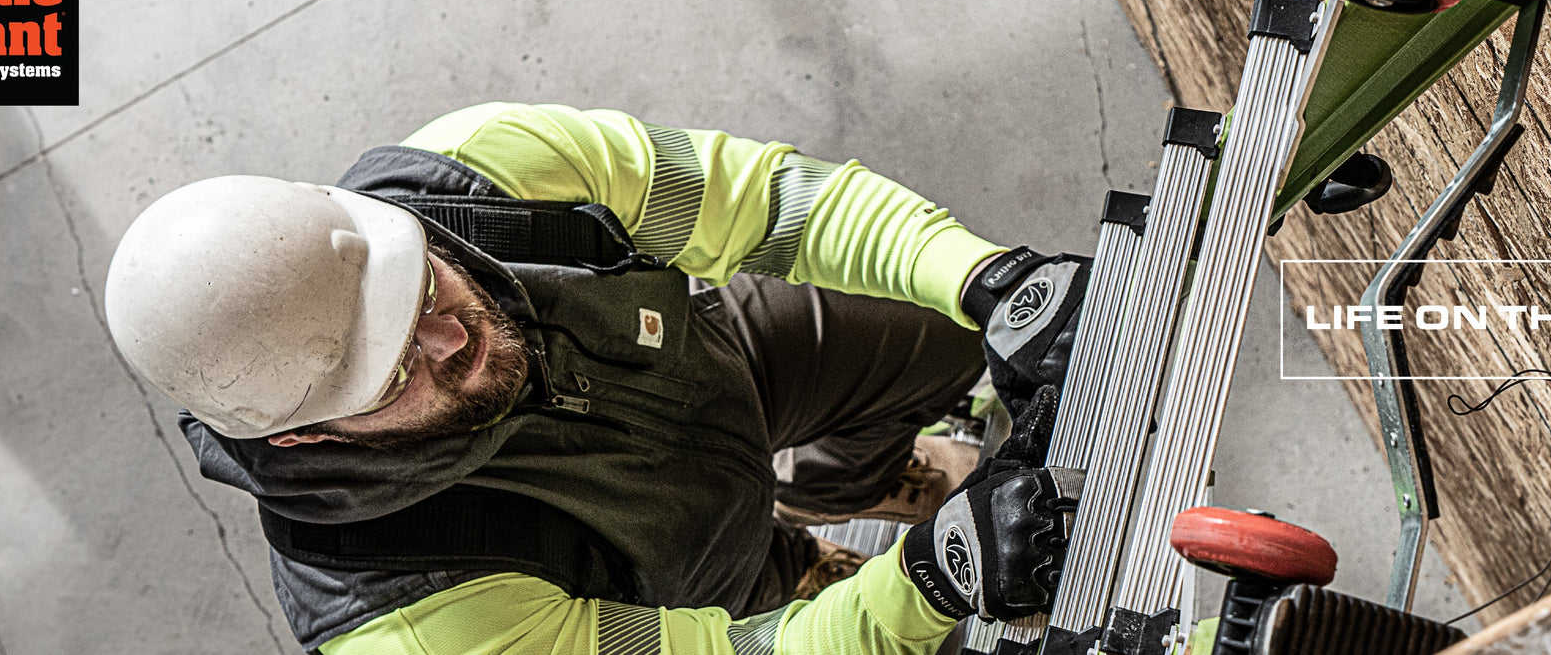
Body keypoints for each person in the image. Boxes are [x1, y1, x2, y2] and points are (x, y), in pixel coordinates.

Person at [104, 103, 1091, 654]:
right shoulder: (411, 619)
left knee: (939, 317)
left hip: (709, 367)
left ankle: (843, 481)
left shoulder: (473, 175)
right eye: (398, 370)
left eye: (424, 283)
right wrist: (926, 582)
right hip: (681, 584)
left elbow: (774, 204)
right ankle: (798, 568)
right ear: (302, 435)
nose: (454, 338)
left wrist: (990, 280)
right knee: (892, 627)